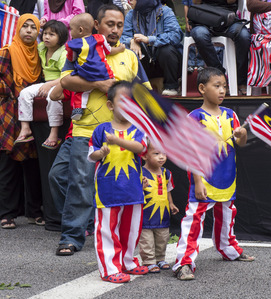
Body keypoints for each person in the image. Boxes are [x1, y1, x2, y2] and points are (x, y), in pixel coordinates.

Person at [49, 3, 151, 256]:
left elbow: (146, 93)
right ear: (97, 24)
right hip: (86, 130)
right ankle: (72, 237)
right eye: (110, 24)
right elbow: (66, 81)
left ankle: (104, 229)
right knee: (80, 183)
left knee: (114, 185)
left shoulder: (129, 56)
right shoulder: (84, 48)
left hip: (123, 135)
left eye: (120, 25)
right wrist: (101, 84)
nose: (115, 30)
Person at [173, 67, 254, 281]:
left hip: (227, 177)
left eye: (224, 86)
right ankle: (184, 262)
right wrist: (197, 181)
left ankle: (229, 249)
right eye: (216, 86)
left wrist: (243, 134)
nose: (222, 91)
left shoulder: (231, 114)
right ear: (202, 88)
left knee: (227, 216)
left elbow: (241, 143)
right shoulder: (195, 117)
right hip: (204, 180)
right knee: (194, 221)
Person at [88, 80, 149, 283]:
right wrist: (101, 152)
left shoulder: (139, 129)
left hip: (132, 189)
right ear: (110, 105)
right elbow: (92, 155)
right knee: (107, 229)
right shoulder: (101, 130)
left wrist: (116, 141)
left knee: (131, 230)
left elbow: (140, 148)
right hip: (107, 190)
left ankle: (128, 262)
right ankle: (109, 268)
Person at [0, 14, 44, 229]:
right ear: (18, 28)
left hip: (32, 113)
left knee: (33, 163)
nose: (29, 30)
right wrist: (14, 93)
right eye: (25, 26)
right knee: (9, 162)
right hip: (9, 112)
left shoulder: (39, 54)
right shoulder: (6, 51)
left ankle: (33, 211)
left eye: (33, 27)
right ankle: (7, 213)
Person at [15, 20, 68, 149]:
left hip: (60, 84)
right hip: (45, 83)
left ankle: (54, 133)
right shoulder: (42, 47)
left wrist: (50, 85)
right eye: (45, 34)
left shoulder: (63, 53)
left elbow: (65, 76)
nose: (47, 37)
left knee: (52, 98)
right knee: (24, 93)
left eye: (52, 35)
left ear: (60, 38)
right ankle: (26, 128)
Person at [65, 13, 124, 120]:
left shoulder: (72, 44)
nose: (70, 32)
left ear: (80, 30)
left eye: (71, 29)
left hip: (86, 73)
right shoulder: (100, 38)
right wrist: (120, 49)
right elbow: (108, 50)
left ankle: (78, 109)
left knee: (81, 92)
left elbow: (71, 58)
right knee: (112, 86)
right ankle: (117, 106)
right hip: (103, 71)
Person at [121, 0, 183, 96]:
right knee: (133, 50)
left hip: (166, 63)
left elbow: (176, 35)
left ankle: (171, 86)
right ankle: (138, 88)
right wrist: (132, 41)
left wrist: (149, 39)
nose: (129, 1)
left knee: (166, 50)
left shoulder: (165, 11)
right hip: (146, 63)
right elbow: (122, 38)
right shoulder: (131, 14)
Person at [188, 0, 251, 96]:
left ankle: (241, 81)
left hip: (228, 20)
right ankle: (219, 74)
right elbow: (196, 2)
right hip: (205, 19)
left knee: (244, 36)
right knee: (200, 35)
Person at [139, 142, 179, 273]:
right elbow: (133, 192)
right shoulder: (140, 173)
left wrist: (171, 203)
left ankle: (160, 258)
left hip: (163, 214)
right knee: (147, 240)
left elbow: (168, 190)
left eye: (164, 154)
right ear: (144, 156)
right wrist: (141, 187)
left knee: (163, 238)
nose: (161, 157)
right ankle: (149, 261)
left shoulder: (167, 173)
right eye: (156, 154)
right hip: (145, 214)